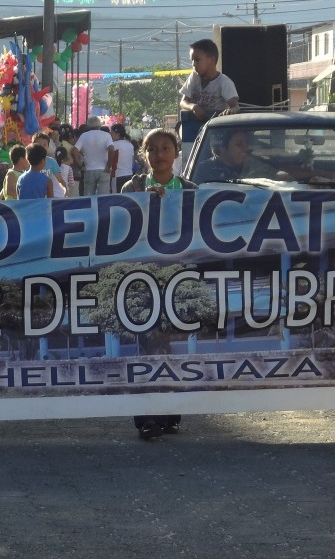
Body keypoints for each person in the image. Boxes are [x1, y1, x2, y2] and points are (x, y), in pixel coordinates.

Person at [120, 128, 196, 440]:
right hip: (141, 277)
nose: (159, 155)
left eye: (165, 148)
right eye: (153, 149)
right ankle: (146, 417)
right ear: (144, 154)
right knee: (145, 344)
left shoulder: (190, 189)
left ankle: (170, 414)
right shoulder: (133, 186)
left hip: (177, 276)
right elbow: (120, 225)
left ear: (176, 153)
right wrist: (144, 205)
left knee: (171, 343)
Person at [179, 38, 239, 122]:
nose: (193, 64)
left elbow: (235, 107)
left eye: (197, 60)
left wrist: (230, 111)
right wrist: (194, 107)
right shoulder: (193, 77)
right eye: (192, 60)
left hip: (215, 125)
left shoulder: (224, 82)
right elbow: (183, 102)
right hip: (194, 125)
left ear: (212, 60)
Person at [73, 116, 114, 195]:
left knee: (89, 198)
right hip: (104, 170)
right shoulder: (106, 135)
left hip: (88, 170)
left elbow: (74, 151)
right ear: (100, 125)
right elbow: (111, 149)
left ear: (88, 125)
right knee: (103, 198)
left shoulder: (84, 136)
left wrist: (81, 166)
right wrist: (108, 166)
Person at [108, 123, 136, 193]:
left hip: (117, 176)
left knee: (116, 198)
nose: (110, 135)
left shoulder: (113, 145)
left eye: (111, 133)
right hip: (129, 175)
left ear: (117, 134)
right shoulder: (130, 145)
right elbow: (132, 161)